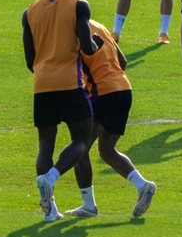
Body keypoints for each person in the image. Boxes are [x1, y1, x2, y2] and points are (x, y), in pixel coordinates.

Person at [23, 0, 100, 222]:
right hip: (70, 83)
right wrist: (97, 44)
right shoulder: (78, 5)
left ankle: (50, 210)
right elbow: (88, 48)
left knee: (46, 145)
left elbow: (29, 60)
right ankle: (51, 177)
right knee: (82, 139)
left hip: (42, 85)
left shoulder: (30, 11)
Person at [64, 18, 158, 218]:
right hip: (124, 90)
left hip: (104, 94)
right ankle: (143, 186)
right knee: (107, 149)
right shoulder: (99, 26)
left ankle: (89, 205)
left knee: (80, 147)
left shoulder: (73, 33)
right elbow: (122, 60)